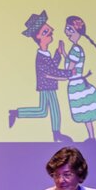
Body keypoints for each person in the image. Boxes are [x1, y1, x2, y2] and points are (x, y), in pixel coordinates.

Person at [8, 10, 75, 143]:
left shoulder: (45, 53)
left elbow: (53, 66)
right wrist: (69, 73)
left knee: (43, 111)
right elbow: (52, 72)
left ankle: (16, 113)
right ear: (39, 37)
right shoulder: (41, 57)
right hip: (46, 86)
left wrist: (58, 53)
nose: (51, 31)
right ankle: (56, 133)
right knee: (52, 109)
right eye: (46, 31)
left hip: (48, 85)